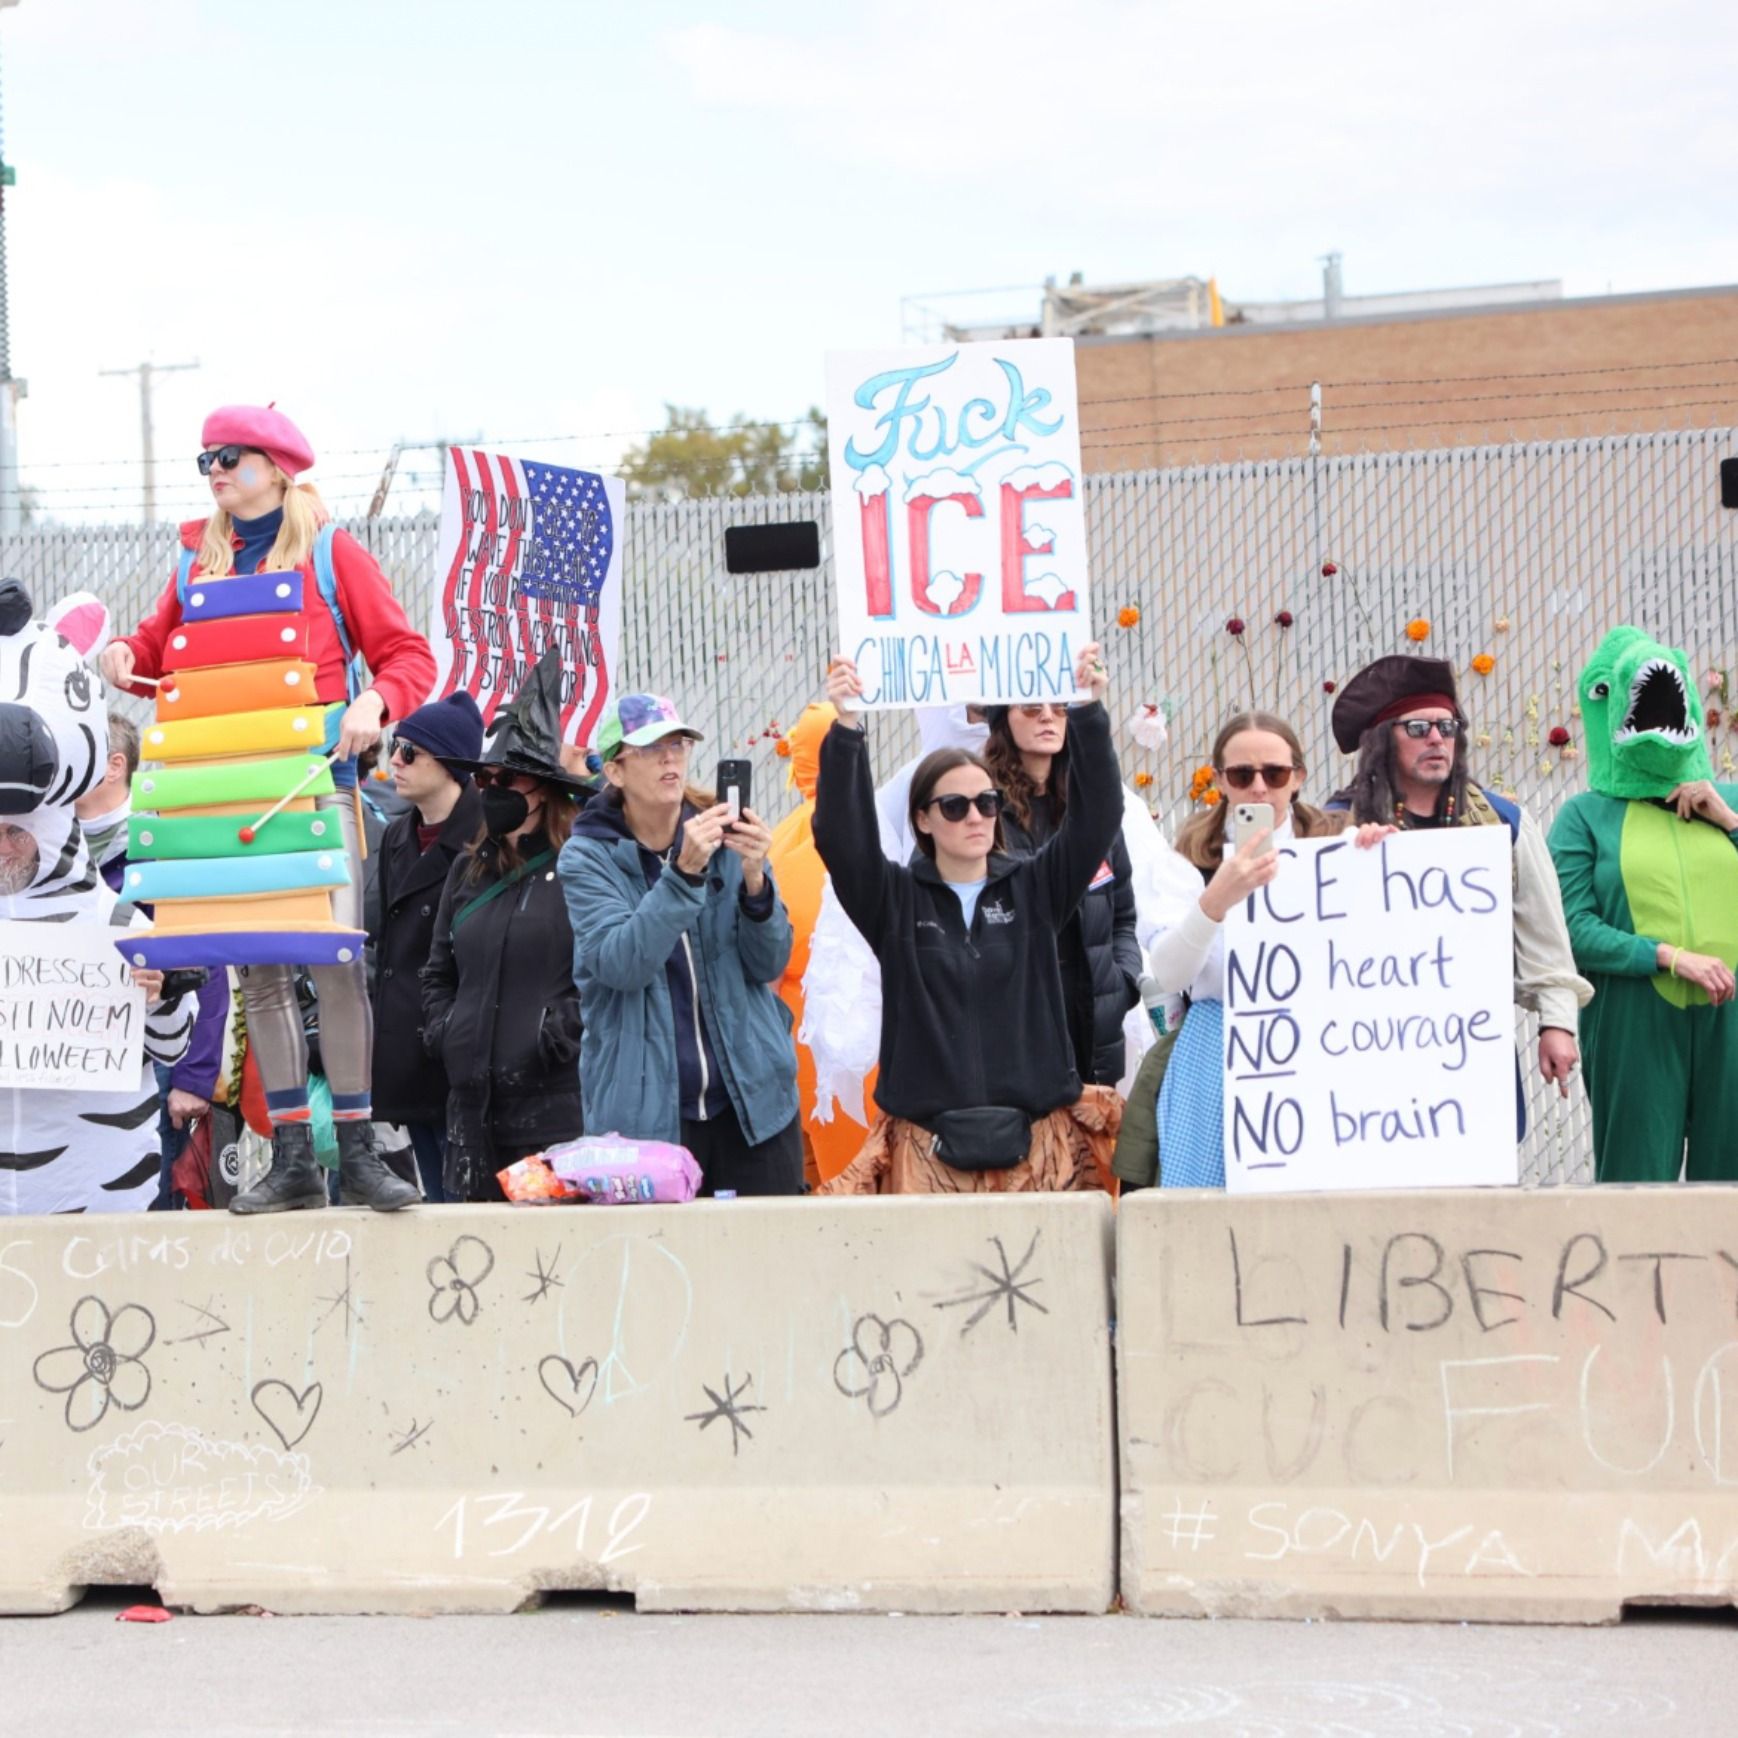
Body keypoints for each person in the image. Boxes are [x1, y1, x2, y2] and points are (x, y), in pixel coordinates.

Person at [100, 403, 434, 1214]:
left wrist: (376, 702)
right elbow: (151, 646)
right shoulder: (196, 561)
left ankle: (357, 1151)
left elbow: (406, 654)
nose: (214, 471)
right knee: (258, 970)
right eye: (206, 459)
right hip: (225, 789)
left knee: (335, 961)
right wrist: (122, 654)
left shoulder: (330, 551)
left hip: (314, 783)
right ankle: (291, 1160)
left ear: (276, 467)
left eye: (229, 457)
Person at [813, 644, 1124, 1195]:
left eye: (987, 802)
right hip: (928, 1152)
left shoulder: (1035, 888)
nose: (975, 817)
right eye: (954, 807)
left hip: (1039, 1150)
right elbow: (843, 840)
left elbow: (1097, 817)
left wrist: (1088, 709)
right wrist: (848, 726)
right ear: (922, 819)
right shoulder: (895, 901)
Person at [560, 692, 803, 1197]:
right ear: (615, 771)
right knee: (660, 1250)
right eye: (651, 749)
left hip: (753, 1102)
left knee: (769, 1244)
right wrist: (684, 874)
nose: (669, 758)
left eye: (678, 745)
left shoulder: (722, 832)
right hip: (647, 1116)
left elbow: (769, 963)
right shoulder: (586, 856)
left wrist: (756, 881)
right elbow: (620, 964)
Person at [1328, 655, 1591, 1116]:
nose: (1436, 738)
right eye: (1417, 728)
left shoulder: (1503, 823)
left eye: (1447, 727)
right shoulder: (1336, 825)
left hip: (1471, 1043)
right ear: (1382, 740)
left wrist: (1557, 1022)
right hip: (1370, 1047)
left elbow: (1545, 935)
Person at [1548, 627, 1738, 1181]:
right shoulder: (1583, 816)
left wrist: (1728, 820)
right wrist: (1669, 957)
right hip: (1633, 1022)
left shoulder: (1728, 802)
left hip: (1731, 1024)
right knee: (1635, 1189)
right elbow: (1571, 928)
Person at [1147, 711, 1359, 1189]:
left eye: (1275, 774)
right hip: (1219, 1041)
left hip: (1320, 1037)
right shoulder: (1189, 860)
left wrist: (1377, 853)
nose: (1259, 788)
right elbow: (1170, 974)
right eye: (1243, 775)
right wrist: (1216, 900)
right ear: (1221, 781)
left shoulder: (1335, 842)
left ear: (1298, 778)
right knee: (1207, 1199)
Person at [422, 653, 590, 1201]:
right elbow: (438, 972)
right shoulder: (466, 871)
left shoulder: (578, 868)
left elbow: (601, 969)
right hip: (470, 1110)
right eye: (485, 778)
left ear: (544, 789)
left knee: (550, 1245)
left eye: (507, 778)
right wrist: (447, 1030)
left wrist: (560, 1031)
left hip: (552, 1108)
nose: (492, 788)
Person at [76, 711, 231, 1209]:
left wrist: (194, 1077)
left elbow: (207, 964)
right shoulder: (43, 845)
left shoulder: (162, 846)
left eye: (79, 752)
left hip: (153, 1061)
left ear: (114, 765)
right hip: (70, 1060)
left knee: (146, 1211)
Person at [983, 700, 1143, 1086]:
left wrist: (1121, 982)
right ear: (1002, 718)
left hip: (1090, 1020)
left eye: (1060, 708)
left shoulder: (1090, 811)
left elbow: (1123, 915)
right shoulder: (979, 812)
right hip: (1013, 1028)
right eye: (1030, 707)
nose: (1047, 716)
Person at [370, 691, 485, 1203]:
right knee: (434, 1202)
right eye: (394, 747)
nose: (394, 761)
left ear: (451, 763)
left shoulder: (486, 837)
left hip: (460, 1055)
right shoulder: (396, 837)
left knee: (466, 1207)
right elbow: (390, 952)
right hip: (408, 1054)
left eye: (410, 751)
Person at [764, 700, 873, 1185]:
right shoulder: (863, 830)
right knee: (857, 1183)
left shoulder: (777, 841)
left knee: (813, 1181)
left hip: (791, 1047)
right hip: (852, 1048)